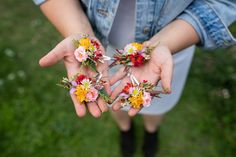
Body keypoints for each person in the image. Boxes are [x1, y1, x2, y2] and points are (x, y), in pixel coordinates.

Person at [33, 0, 236, 157]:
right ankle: (125, 129)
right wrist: (80, 34)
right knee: (113, 99)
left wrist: (162, 44)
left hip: (169, 48)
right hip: (101, 53)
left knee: (157, 103)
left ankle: (151, 131)